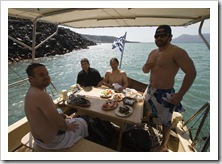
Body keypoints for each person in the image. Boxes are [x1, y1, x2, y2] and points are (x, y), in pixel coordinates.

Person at [142, 25, 196, 152]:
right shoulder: (153, 52)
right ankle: (150, 129)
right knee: (148, 111)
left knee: (166, 121)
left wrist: (180, 94)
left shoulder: (177, 52)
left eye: (163, 35)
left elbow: (191, 72)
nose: (159, 37)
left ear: (170, 37)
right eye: (157, 35)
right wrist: (145, 67)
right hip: (150, 90)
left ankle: (164, 145)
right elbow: (145, 70)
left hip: (165, 93)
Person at [24, 63, 88, 149]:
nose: (47, 77)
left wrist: (63, 117)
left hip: (38, 139)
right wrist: (67, 126)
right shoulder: (41, 95)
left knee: (64, 115)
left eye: (47, 74)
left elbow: (47, 116)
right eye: (41, 75)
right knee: (84, 120)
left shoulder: (30, 93)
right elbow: (60, 124)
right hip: (54, 142)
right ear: (31, 79)